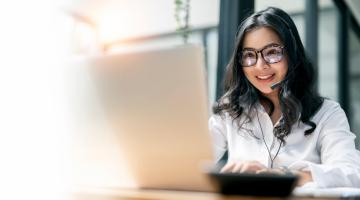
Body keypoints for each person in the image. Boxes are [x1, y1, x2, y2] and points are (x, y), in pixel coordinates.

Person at [209, 7, 360, 188]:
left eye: (272, 52)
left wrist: (283, 175)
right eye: (249, 55)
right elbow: (191, 162)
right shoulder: (230, 110)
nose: (260, 65)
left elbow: (352, 174)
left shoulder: (327, 113)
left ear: (291, 53)